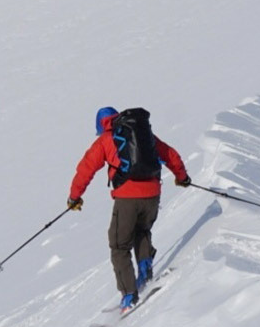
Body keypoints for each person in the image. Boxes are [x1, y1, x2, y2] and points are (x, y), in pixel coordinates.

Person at [67, 106, 190, 311]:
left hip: (127, 198)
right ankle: (144, 265)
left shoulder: (106, 140)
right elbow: (170, 154)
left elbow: (85, 169)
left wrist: (74, 197)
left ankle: (129, 295)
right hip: (152, 193)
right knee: (142, 230)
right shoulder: (142, 132)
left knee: (119, 245)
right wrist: (182, 177)